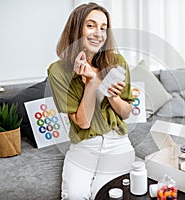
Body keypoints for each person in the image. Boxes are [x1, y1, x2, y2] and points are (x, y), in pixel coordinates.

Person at [47, 2, 135, 200]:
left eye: (103, 28)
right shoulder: (58, 71)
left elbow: (126, 112)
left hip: (117, 142)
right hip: (84, 145)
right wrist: (92, 84)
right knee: (74, 196)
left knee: (105, 195)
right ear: (76, 29)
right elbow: (83, 122)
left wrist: (112, 94)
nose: (98, 33)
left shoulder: (117, 62)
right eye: (91, 25)